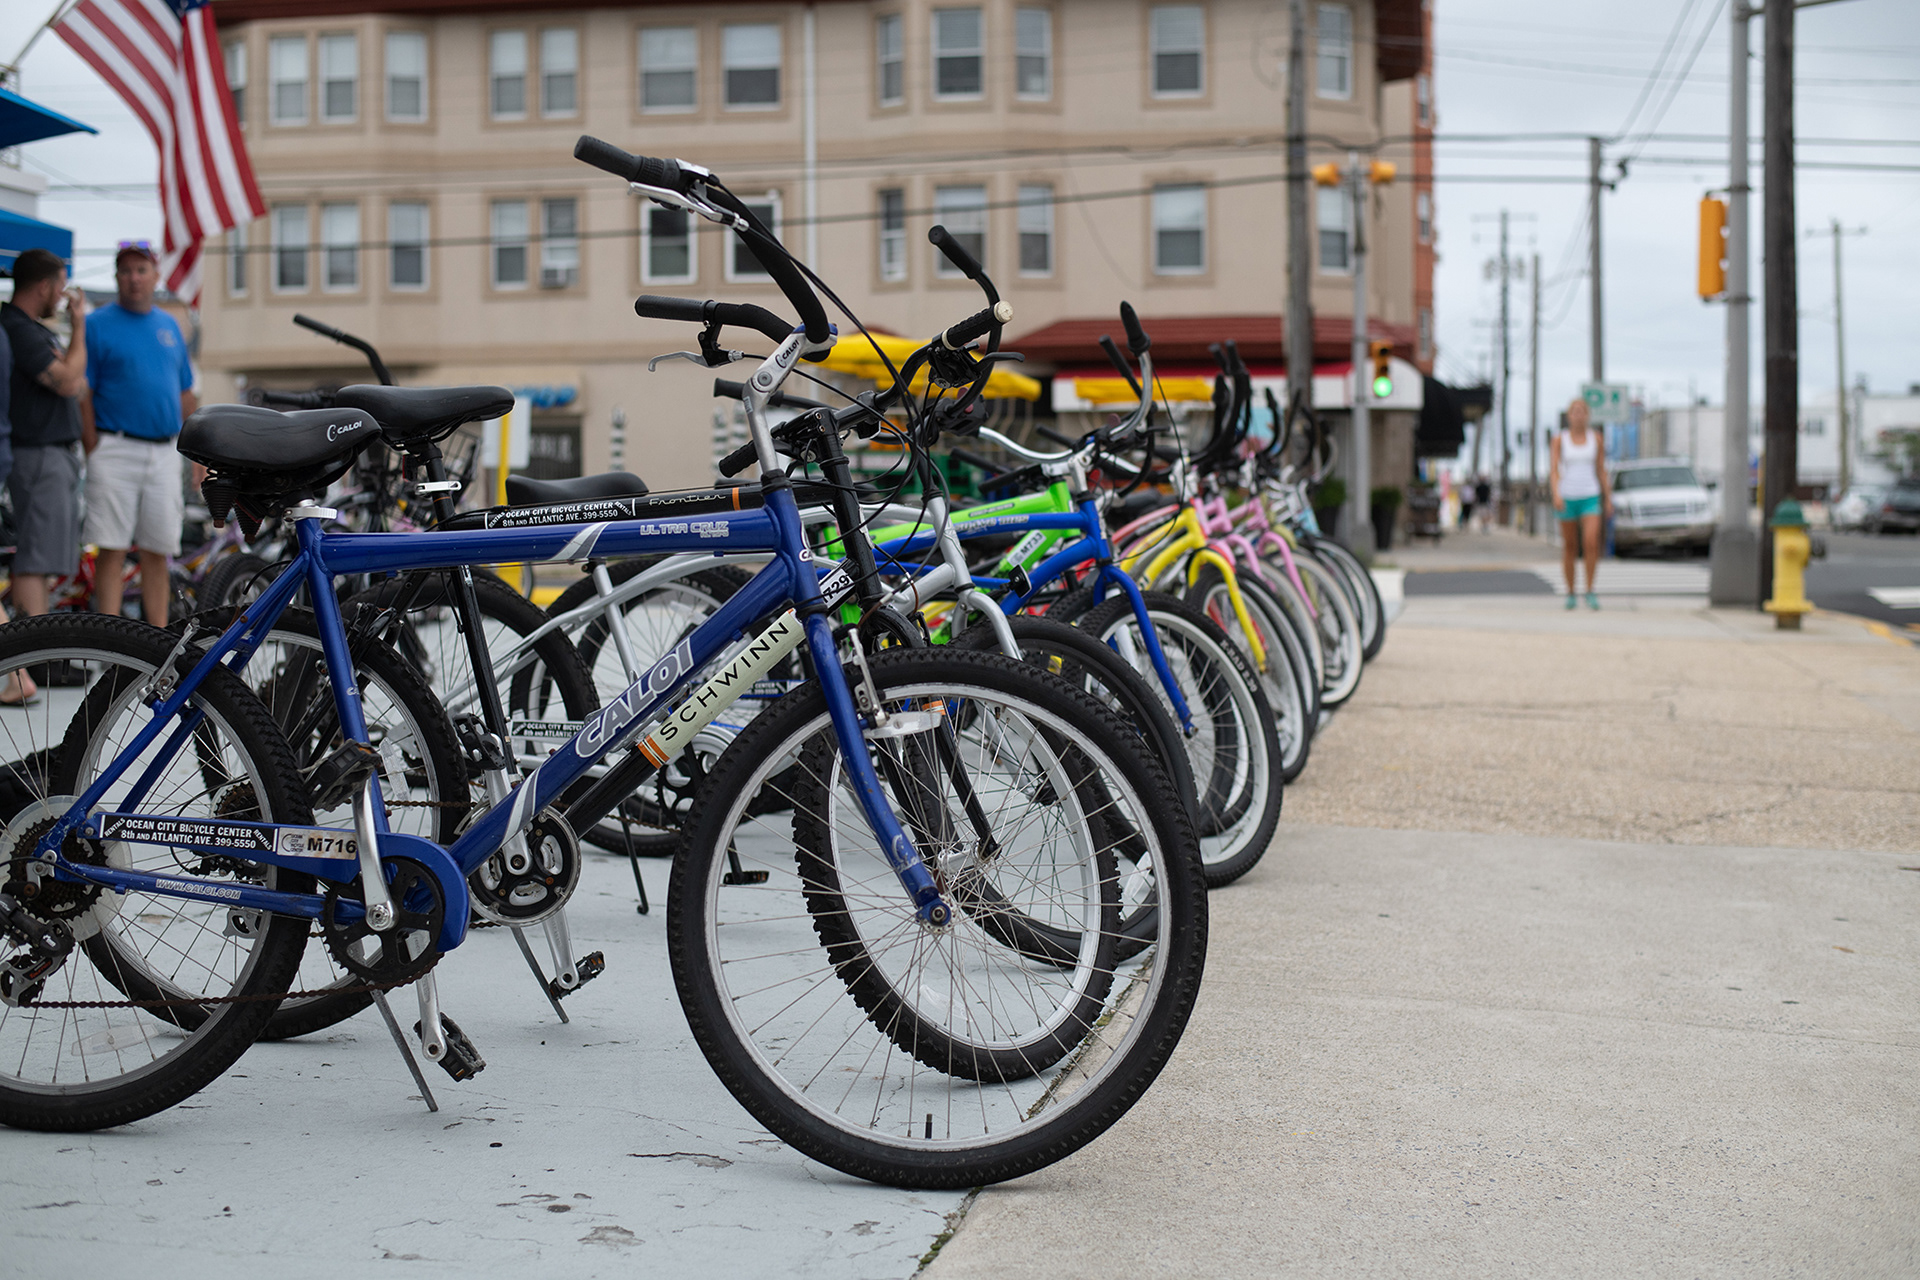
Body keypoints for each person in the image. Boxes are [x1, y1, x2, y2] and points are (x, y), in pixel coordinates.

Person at [82, 242, 197, 625]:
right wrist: (91, 444)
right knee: (111, 548)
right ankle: (110, 640)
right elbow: (83, 391)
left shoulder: (169, 326)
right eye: (126, 271)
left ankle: (157, 641)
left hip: (164, 451)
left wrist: (199, 451)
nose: (134, 278)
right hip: (113, 447)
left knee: (158, 549)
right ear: (117, 277)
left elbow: (185, 392)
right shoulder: (96, 324)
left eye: (141, 270)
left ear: (155, 275)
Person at [2, 248, 87, 624]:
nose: (63, 295)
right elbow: (69, 381)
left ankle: (34, 642)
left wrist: (72, 373)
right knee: (34, 560)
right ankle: (32, 647)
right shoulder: (16, 327)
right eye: (60, 286)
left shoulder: (32, 329)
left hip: (50, 453)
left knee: (43, 558)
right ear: (44, 286)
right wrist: (79, 326)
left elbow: (77, 382)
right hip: (37, 452)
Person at [1550, 397, 1610, 609]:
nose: (1578, 415)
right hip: (1567, 496)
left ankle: (1590, 589)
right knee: (1570, 546)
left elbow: (1601, 470)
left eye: (1582, 411)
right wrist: (1556, 494)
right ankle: (1570, 592)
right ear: (1569, 416)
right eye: (1574, 411)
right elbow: (1554, 470)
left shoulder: (1596, 439)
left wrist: (1607, 497)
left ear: (1587, 415)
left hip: (1590, 495)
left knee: (1591, 542)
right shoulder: (1560, 439)